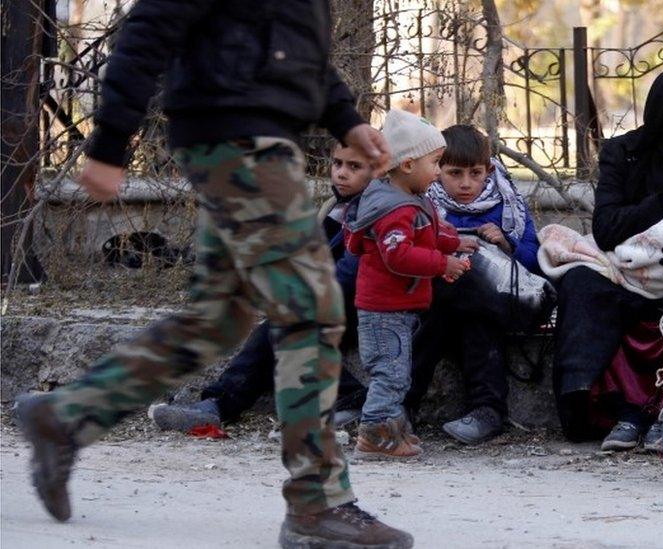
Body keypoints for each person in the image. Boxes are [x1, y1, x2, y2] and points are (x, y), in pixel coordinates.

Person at [13, 1, 414, 547]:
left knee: (218, 320)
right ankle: (316, 503)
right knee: (311, 310)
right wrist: (108, 142)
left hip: (255, 143)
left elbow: (298, 47)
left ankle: (67, 417)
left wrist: (347, 119)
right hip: (240, 142)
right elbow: (147, 28)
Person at [551, 66, 663, 452]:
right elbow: (606, 226)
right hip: (629, 267)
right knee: (581, 283)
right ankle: (601, 407)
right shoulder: (626, 153)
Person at [149, 143, 372, 433]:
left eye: (354, 167)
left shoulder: (372, 211)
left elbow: (350, 274)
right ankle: (216, 406)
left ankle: (346, 396)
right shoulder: (334, 209)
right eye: (338, 163)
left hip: (364, 306)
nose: (342, 174)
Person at [345, 109, 471, 459]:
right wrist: (441, 263)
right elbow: (398, 255)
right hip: (383, 310)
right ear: (408, 165)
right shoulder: (395, 209)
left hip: (394, 308)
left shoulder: (404, 200)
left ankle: (393, 433)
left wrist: (452, 242)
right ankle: (374, 435)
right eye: (436, 162)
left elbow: (426, 232)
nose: (438, 171)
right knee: (391, 375)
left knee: (396, 373)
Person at [405, 124, 542, 445]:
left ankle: (487, 410)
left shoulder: (508, 204)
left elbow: (534, 259)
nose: (466, 184)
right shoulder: (423, 203)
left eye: (475, 173)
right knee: (446, 308)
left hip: (494, 303)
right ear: (437, 170)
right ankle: (403, 406)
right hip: (435, 302)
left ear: (489, 170)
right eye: (455, 173)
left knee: (475, 312)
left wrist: (508, 243)